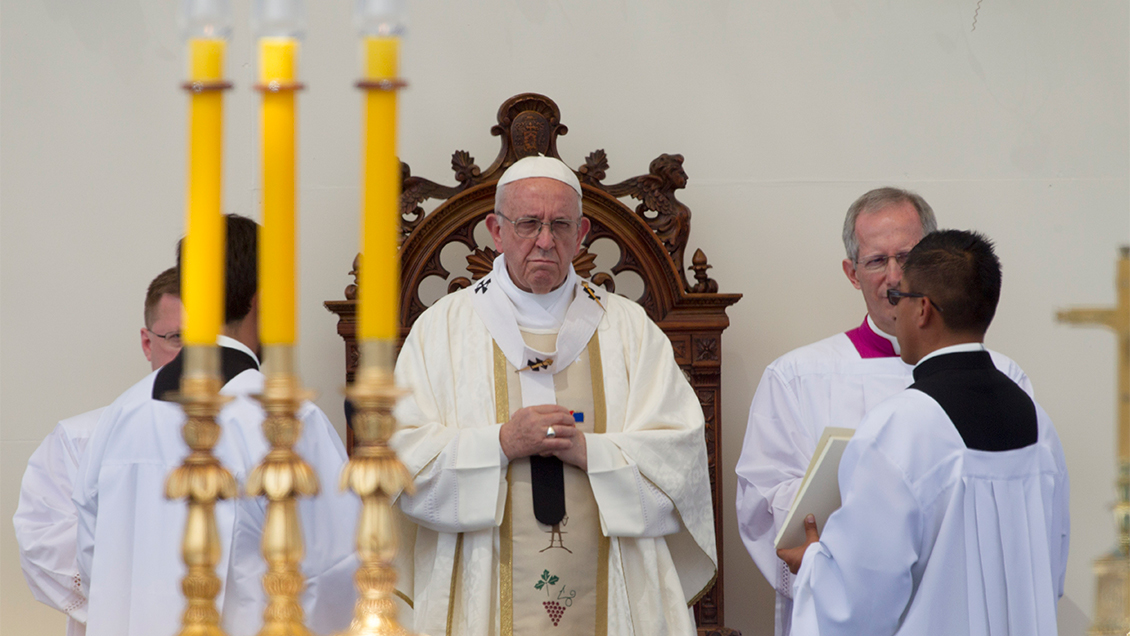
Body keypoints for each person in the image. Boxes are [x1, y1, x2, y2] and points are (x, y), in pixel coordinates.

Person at [390, 156, 717, 636]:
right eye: (528, 224)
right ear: (495, 231)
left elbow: (680, 458)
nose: (544, 240)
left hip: (614, 588)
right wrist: (499, 443)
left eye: (559, 224)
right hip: (482, 592)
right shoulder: (442, 330)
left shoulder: (629, 329)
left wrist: (592, 452)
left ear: (581, 232)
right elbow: (399, 459)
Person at [733, 188, 1033, 636]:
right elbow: (761, 501)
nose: (894, 278)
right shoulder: (797, 376)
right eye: (876, 261)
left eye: (907, 257)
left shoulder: (1002, 379)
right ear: (852, 273)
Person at [73, 214, 359, 636]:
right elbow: (335, 568)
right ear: (265, 299)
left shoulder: (122, 413)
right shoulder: (286, 419)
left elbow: (91, 553)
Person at [779, 230, 1070, 635]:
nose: (893, 311)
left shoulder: (901, 425)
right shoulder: (1039, 423)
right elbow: (1050, 567)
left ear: (924, 311)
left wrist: (814, 561)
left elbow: (857, 602)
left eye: (899, 298)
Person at [13, 267, 183, 636]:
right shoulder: (79, 439)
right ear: (147, 342)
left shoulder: (255, 436)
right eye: (177, 338)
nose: (192, 359)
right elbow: (44, 546)